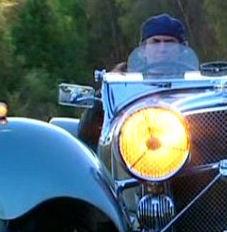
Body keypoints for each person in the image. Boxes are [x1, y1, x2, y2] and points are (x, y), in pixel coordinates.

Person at [79, 13, 189, 150]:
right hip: (130, 153)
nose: (162, 49)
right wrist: (102, 96)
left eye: (170, 42)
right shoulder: (122, 84)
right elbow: (87, 134)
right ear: (142, 49)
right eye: (155, 42)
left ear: (183, 49)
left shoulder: (195, 85)